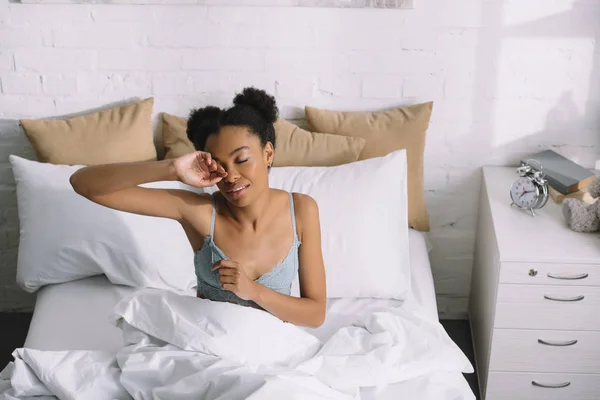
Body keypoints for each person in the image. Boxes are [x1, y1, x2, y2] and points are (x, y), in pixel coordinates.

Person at [69, 87, 326, 328]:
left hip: (272, 351)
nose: (230, 176)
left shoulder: (301, 210)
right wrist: (172, 170)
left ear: (268, 154)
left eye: (242, 159)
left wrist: (253, 291)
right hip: (207, 351)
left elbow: (315, 315)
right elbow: (83, 183)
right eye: (218, 164)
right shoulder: (199, 211)